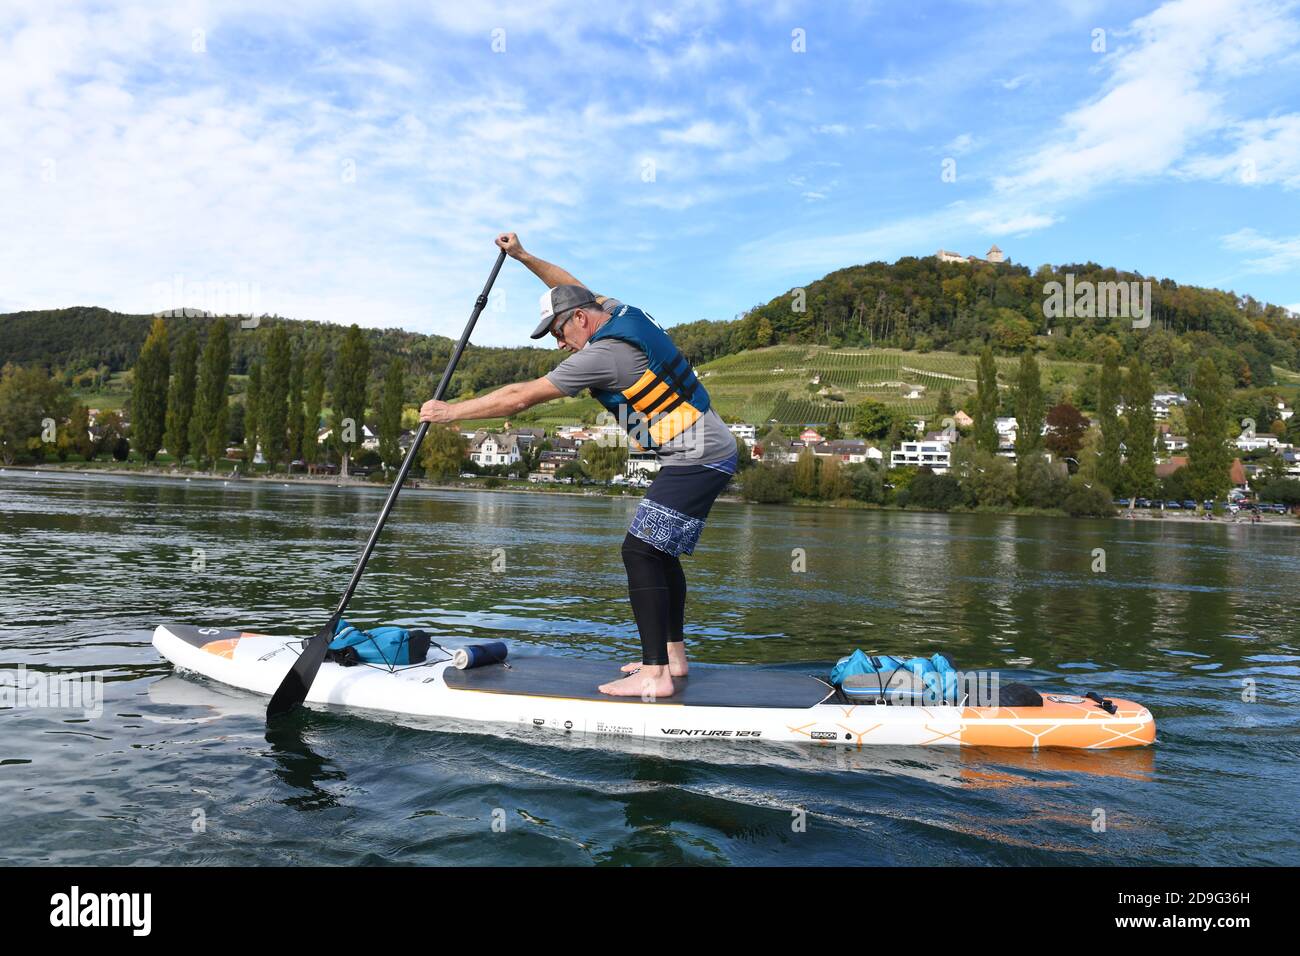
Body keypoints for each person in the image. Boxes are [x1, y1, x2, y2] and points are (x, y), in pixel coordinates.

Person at [419, 233, 739, 698]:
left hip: (699, 458)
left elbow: (520, 397)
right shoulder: (621, 313)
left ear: (581, 321)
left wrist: (450, 412)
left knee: (640, 552)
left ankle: (656, 675)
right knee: (658, 551)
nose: (559, 344)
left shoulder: (602, 355)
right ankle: (671, 657)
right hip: (707, 452)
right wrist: (524, 256)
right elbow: (571, 284)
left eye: (557, 333)